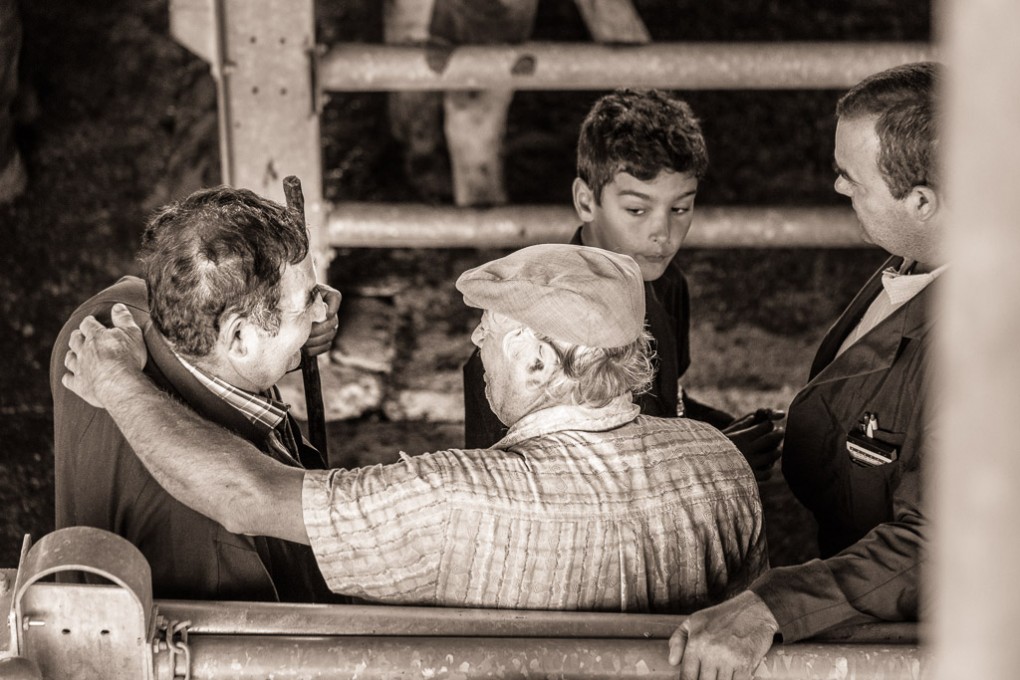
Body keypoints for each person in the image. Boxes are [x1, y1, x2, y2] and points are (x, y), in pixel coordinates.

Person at [61, 243, 769, 611]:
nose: (477, 346)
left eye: (487, 332)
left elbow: (245, 496)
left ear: (533, 355)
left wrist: (119, 383)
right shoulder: (721, 465)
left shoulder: (451, 499)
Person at [667, 61, 944, 679]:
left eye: (853, 178)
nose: (840, 189)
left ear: (922, 201)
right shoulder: (921, 258)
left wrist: (772, 604)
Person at [462, 88, 784, 479]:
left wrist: (735, 430)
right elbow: (532, 483)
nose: (662, 233)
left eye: (680, 208)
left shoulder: (667, 285)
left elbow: (667, 407)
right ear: (585, 202)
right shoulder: (524, 337)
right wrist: (717, 458)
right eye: (636, 209)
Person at [49, 185, 342, 602]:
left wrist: (291, 339)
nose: (322, 312)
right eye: (308, 302)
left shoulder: (99, 323)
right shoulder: (222, 551)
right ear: (239, 337)